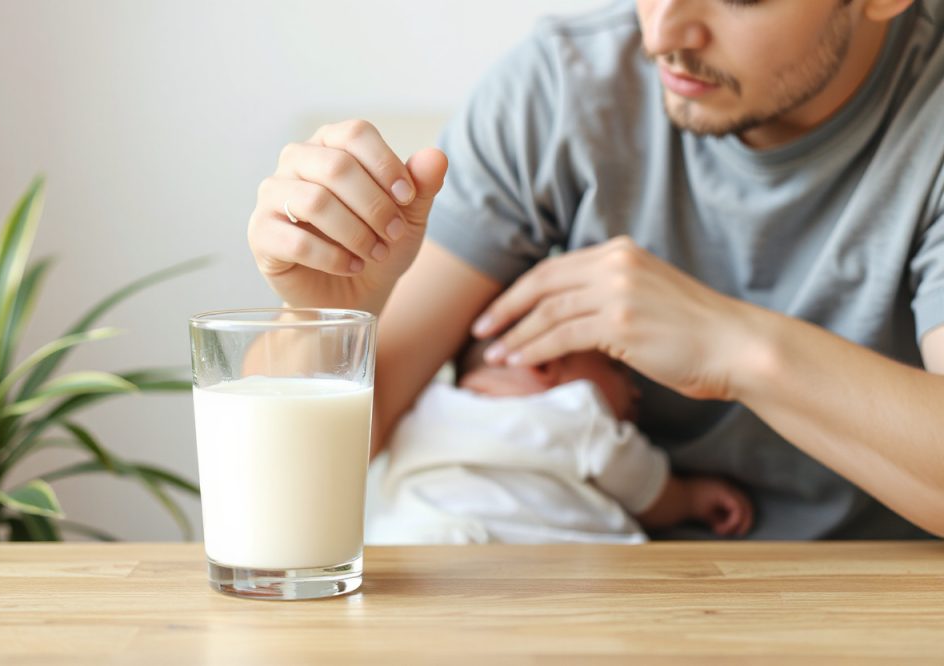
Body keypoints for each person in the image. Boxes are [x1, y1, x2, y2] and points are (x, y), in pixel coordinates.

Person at [248, 0, 944, 539]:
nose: (664, 34)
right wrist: (323, 313)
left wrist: (729, 346)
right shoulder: (560, 92)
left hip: (877, 607)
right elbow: (277, 489)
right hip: (597, 595)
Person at [366, 341, 753, 544]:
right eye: (616, 367)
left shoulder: (426, 407)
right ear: (543, 365)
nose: (636, 391)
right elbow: (645, 488)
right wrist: (690, 498)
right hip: (528, 554)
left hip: (410, 540)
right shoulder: (578, 413)